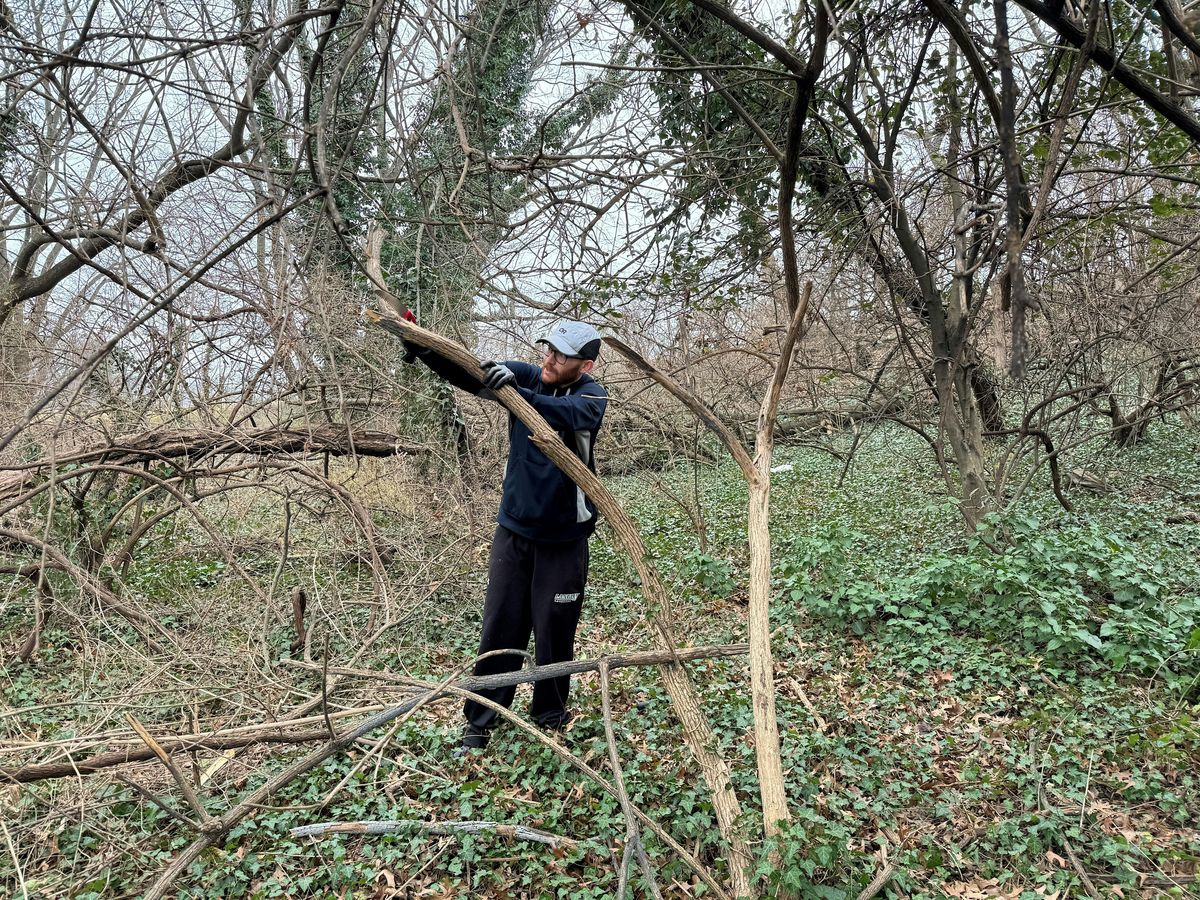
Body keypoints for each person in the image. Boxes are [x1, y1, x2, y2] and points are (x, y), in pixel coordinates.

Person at [404, 320, 607, 752]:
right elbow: (469, 372)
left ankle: (550, 716)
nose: (548, 359)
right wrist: (423, 347)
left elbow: (565, 414)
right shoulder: (530, 376)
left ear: (585, 364)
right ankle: (479, 723)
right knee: (501, 626)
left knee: (555, 631)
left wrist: (512, 394)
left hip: (565, 539)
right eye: (547, 350)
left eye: (561, 355)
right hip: (514, 531)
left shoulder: (592, 396)